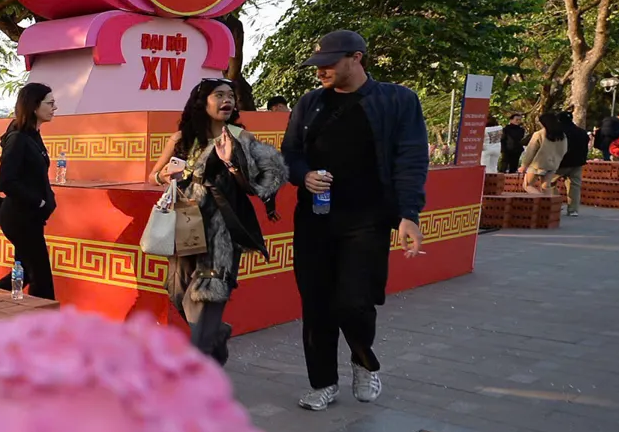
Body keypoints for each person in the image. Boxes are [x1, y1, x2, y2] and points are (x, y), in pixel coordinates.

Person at [281, 31, 428, 411]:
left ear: (357, 58)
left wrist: (408, 215)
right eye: (317, 65)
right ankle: (323, 383)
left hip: (367, 220)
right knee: (316, 305)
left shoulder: (397, 100)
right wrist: (303, 175)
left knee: (354, 302)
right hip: (315, 219)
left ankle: (364, 361)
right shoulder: (310, 103)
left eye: (329, 64)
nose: (321, 71)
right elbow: (290, 153)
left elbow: (411, 160)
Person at [150, 78, 286, 363]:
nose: (228, 101)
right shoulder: (182, 138)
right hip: (185, 224)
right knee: (178, 292)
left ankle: (196, 373)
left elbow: (264, 181)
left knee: (207, 293)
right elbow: (154, 175)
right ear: (202, 102)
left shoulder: (240, 138)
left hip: (221, 228)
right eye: (219, 95)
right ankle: (217, 332)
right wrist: (164, 176)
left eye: (231, 96)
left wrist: (231, 164)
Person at [0, 82, 58, 300]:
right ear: (34, 106)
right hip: (19, 218)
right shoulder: (18, 138)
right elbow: (5, 182)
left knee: (23, 274)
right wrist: (39, 201)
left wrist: (48, 199)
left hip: (31, 217)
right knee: (41, 279)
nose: (54, 108)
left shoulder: (33, 135)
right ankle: (43, 320)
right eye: (49, 103)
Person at [518, 113, 570, 196]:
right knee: (545, 187)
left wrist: (524, 165)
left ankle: (541, 199)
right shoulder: (562, 135)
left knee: (528, 185)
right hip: (553, 165)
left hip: (538, 164)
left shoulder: (539, 134)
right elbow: (564, 150)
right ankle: (548, 202)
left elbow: (531, 150)